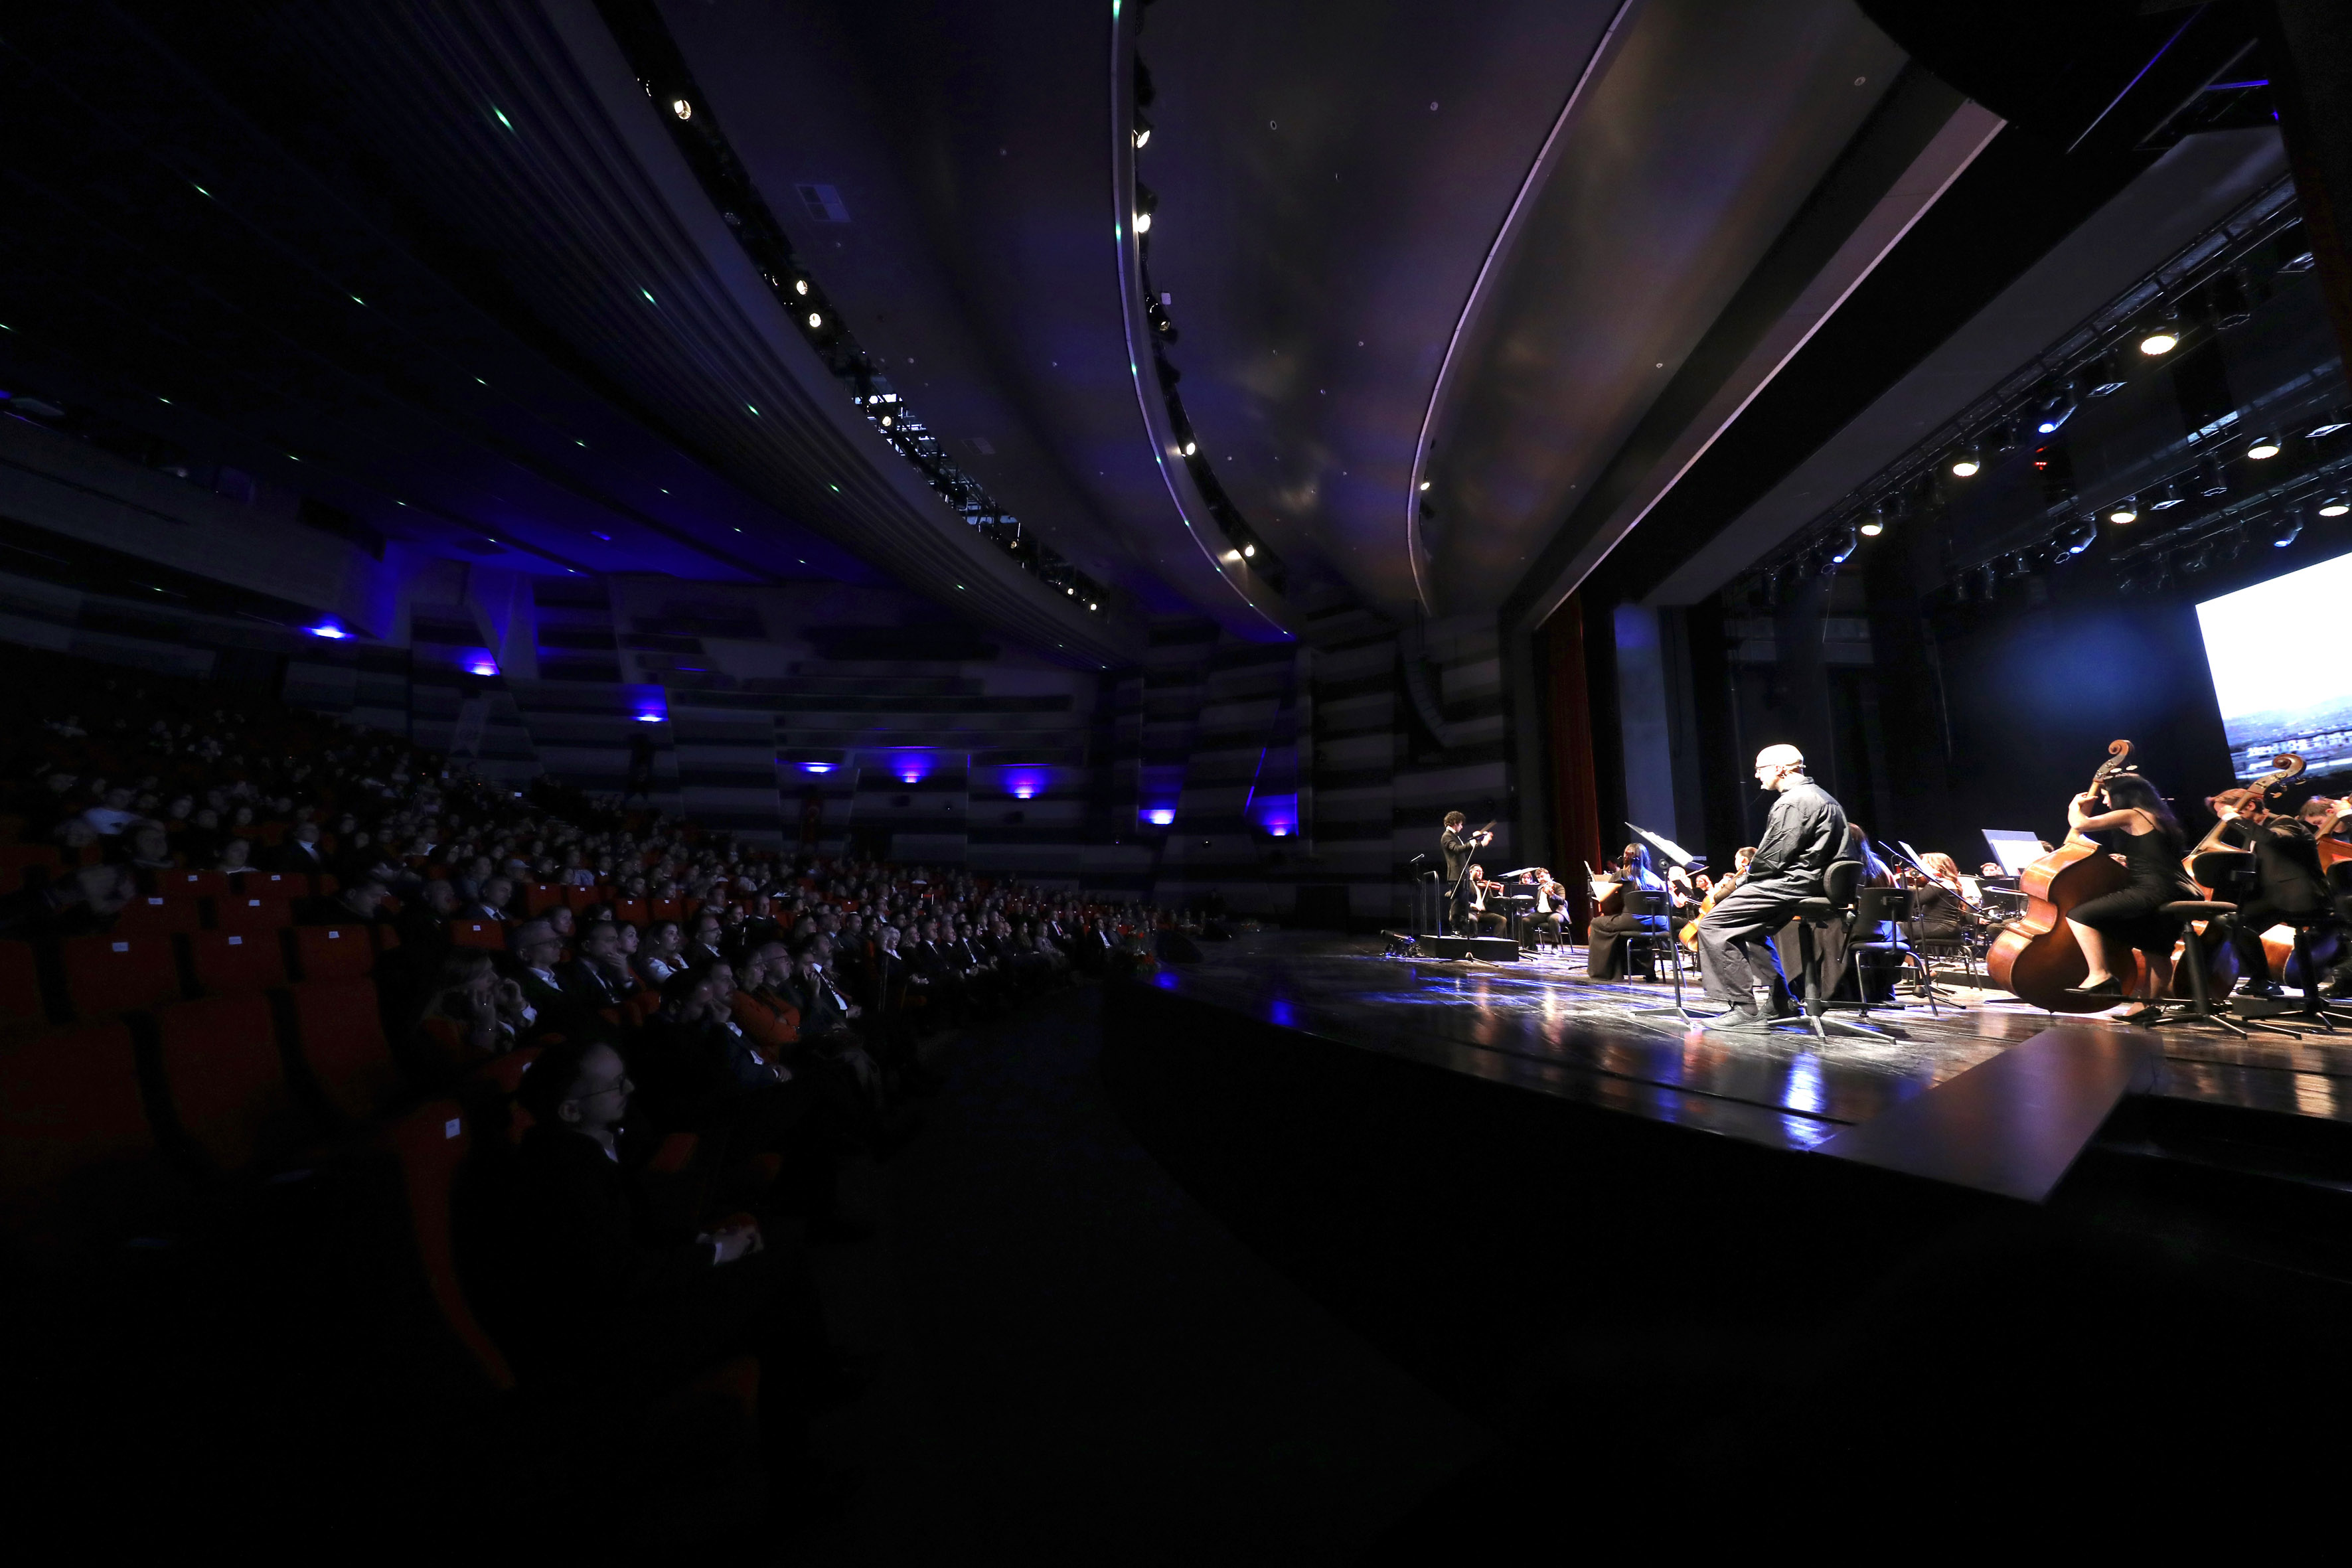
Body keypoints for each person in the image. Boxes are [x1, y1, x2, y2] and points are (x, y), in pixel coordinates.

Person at [1697, 744, 1849, 1024]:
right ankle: (1781, 1001)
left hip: (1792, 883)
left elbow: (1769, 861)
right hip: (1813, 884)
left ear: (1779, 769)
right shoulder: (1824, 798)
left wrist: (1730, 888)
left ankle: (1743, 1009)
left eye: (1759, 768)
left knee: (1713, 926)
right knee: (1753, 929)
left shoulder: (1794, 802)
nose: (1756, 775)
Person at [2062, 771, 2197, 1015]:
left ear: (2123, 795)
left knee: (2078, 915)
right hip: (2182, 888)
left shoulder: (2132, 814)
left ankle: (2100, 974)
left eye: (2106, 795)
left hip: (2155, 888)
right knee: (2157, 948)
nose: (2104, 801)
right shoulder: (2160, 817)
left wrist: (2075, 806)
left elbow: (2080, 825)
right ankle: (2150, 1006)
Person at [2205, 787, 2344, 999]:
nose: (2223, 819)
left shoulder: (2284, 822)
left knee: (2240, 923)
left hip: (2301, 898)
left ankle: (2264, 980)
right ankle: (2262, 980)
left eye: (2224, 812)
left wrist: (2233, 818)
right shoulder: (2253, 831)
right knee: (2236, 923)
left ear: (2249, 805)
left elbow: (2269, 839)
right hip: (2277, 898)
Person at [1587, 842, 1670, 981]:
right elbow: (1668, 900)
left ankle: (1606, 971)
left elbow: (1602, 897)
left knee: (1596, 923)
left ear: (1625, 857)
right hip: (1657, 925)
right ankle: (1647, 971)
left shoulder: (1622, 875)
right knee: (1619, 929)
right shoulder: (1654, 877)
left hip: (1633, 922)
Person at [1438, 811, 1491, 934]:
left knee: (1462, 903)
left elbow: (1465, 847)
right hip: (1457, 874)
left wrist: (1481, 842)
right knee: (1457, 903)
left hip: (1462, 874)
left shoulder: (1455, 836)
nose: (1462, 827)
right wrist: (1474, 841)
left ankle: (1461, 929)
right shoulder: (1447, 836)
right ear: (1455, 823)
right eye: (1461, 824)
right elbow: (1457, 849)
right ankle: (1455, 928)